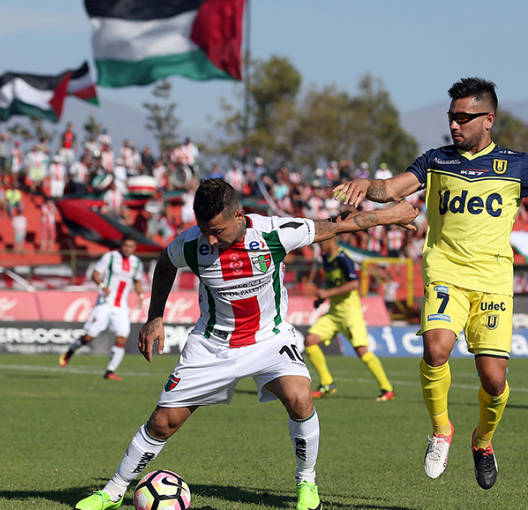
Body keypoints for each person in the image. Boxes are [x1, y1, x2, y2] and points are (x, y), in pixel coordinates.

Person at [332, 77, 528, 490]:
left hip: (494, 282)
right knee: (436, 347)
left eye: (463, 117)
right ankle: (441, 430)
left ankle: (482, 441)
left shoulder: (517, 165)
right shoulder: (436, 160)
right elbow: (391, 188)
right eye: (451, 116)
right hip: (445, 272)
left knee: (494, 379)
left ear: (488, 120)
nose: (455, 125)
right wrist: (365, 187)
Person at [73, 178, 418, 510]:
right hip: (212, 345)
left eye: (218, 230)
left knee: (300, 398)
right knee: (163, 422)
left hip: (270, 338)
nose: (211, 238)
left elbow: (336, 225)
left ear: (240, 217)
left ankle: (306, 483)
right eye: (205, 230)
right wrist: (155, 316)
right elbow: (165, 262)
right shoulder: (192, 243)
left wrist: (389, 215)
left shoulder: (274, 232)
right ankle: (113, 492)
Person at [304, 236, 395, 402]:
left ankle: (387, 388)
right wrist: (322, 298)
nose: (319, 243)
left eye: (321, 240)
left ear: (331, 240)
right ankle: (327, 382)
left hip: (350, 312)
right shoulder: (325, 258)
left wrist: (327, 294)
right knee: (310, 340)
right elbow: (332, 285)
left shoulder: (343, 258)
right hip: (334, 312)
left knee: (361, 351)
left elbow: (354, 284)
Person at [59, 234, 145, 380]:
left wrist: (141, 296)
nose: (127, 249)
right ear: (121, 244)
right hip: (105, 303)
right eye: (125, 245)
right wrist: (102, 286)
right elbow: (95, 274)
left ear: (134, 248)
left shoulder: (136, 262)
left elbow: (136, 281)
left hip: (121, 305)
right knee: (89, 337)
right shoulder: (110, 257)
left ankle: (110, 371)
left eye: (130, 246)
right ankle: (70, 351)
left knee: (122, 337)